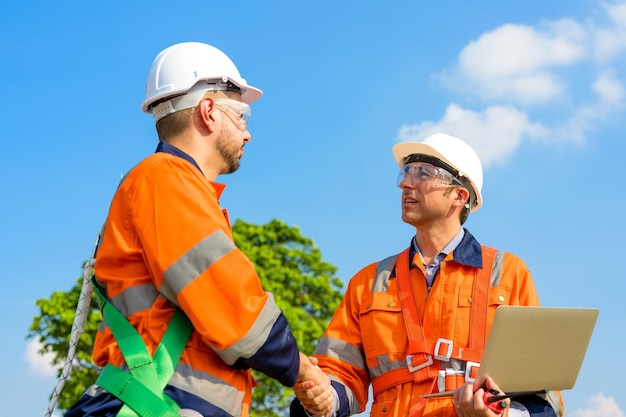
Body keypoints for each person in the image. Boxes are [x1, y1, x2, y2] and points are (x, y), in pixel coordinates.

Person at [65, 42, 332, 417]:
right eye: (242, 116)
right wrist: (303, 370)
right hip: (155, 403)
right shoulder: (165, 180)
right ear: (208, 111)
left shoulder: (166, 186)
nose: (247, 134)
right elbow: (232, 306)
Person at [290, 133, 564, 417]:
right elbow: (340, 374)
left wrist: (501, 415)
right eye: (406, 172)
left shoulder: (508, 273)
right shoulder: (367, 283)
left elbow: (540, 395)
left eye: (424, 173)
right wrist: (319, 396)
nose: (406, 183)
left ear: (459, 195)